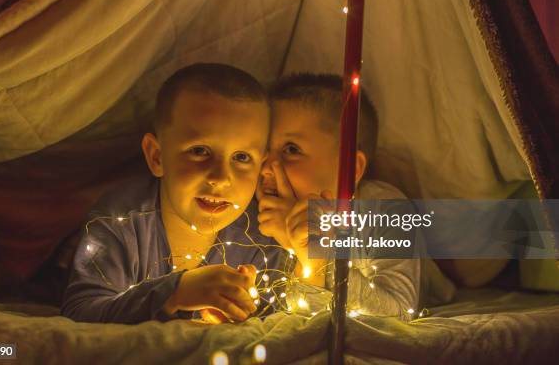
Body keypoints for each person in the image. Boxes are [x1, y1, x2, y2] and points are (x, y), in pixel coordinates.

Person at [61, 63, 291, 324]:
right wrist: (176, 293)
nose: (220, 178)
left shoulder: (261, 236)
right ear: (157, 156)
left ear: (261, 166)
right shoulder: (122, 219)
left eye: (241, 157)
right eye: (200, 151)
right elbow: (80, 314)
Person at [257, 73, 428, 319]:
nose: (265, 168)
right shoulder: (256, 221)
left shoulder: (384, 210)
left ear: (351, 168)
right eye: (264, 149)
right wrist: (302, 258)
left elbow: (399, 312)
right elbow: (302, 318)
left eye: (291, 150)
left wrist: (319, 255)